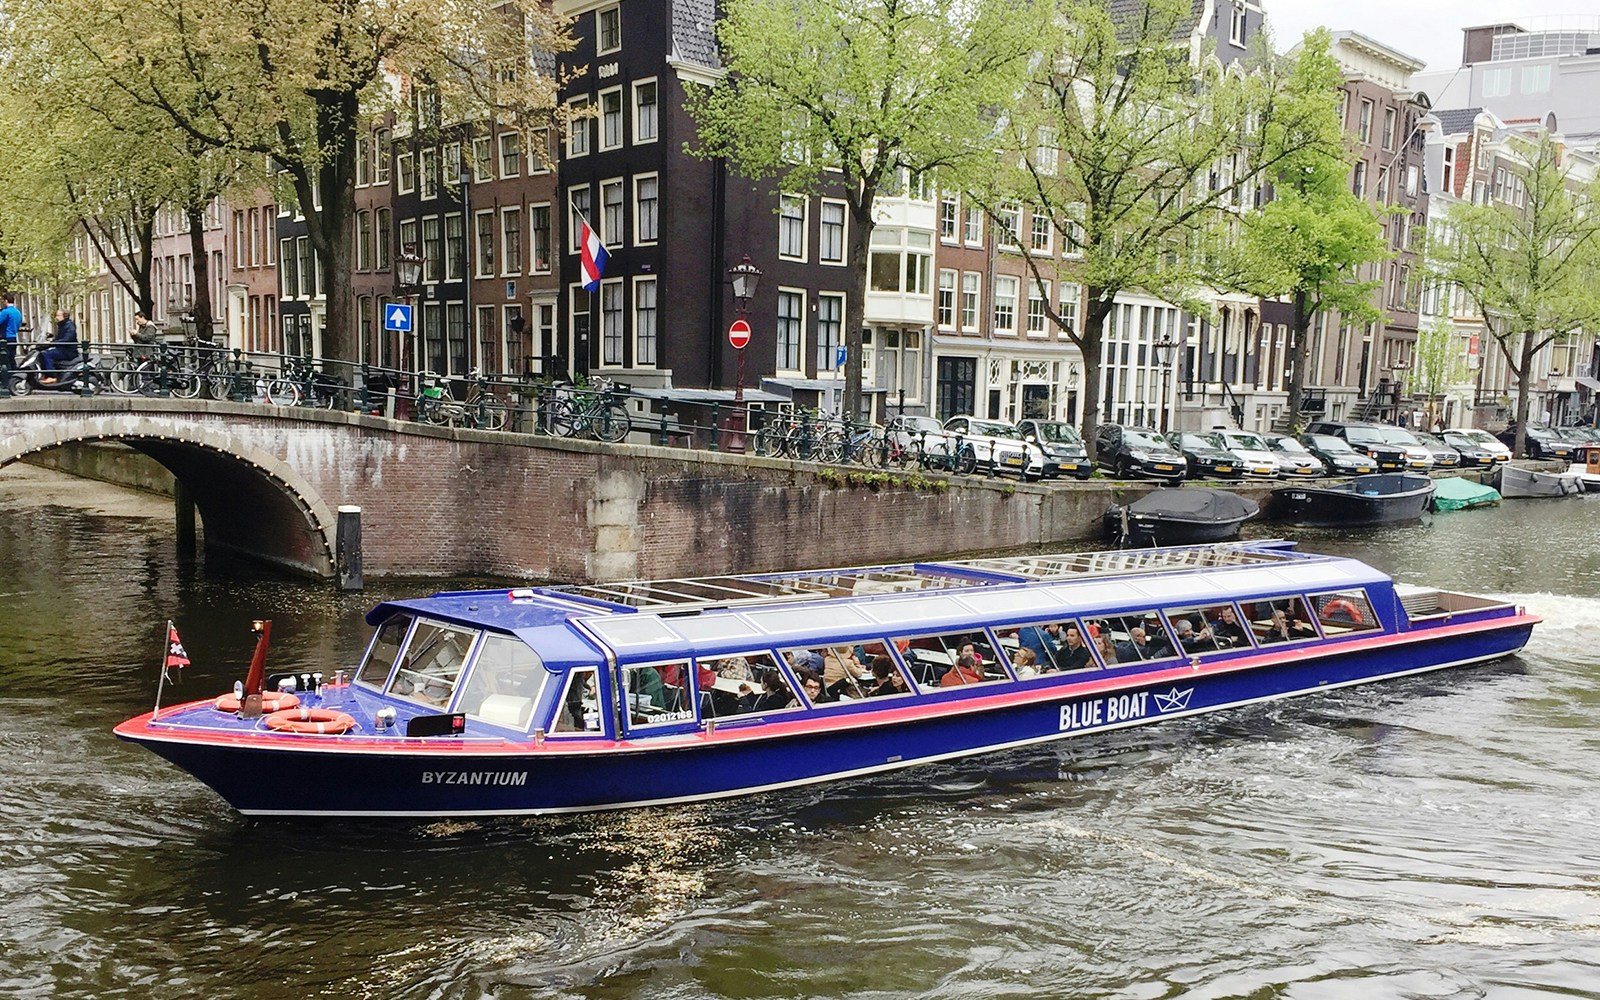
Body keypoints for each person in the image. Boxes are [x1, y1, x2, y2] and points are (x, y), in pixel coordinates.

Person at [36, 309, 80, 384]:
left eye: (58, 315)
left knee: (46, 354)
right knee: (42, 353)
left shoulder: (69, 326)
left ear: (65, 316)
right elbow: (59, 338)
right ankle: (45, 374)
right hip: (62, 349)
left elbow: (67, 338)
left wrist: (53, 343)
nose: (56, 317)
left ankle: (51, 376)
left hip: (68, 351)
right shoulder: (62, 325)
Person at [0, 294, 22, 372]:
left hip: (5, 337)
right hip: (13, 337)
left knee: (4, 359)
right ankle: (13, 374)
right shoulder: (18, 312)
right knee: (11, 358)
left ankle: (5, 378)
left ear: (6, 301)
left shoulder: (5, 312)